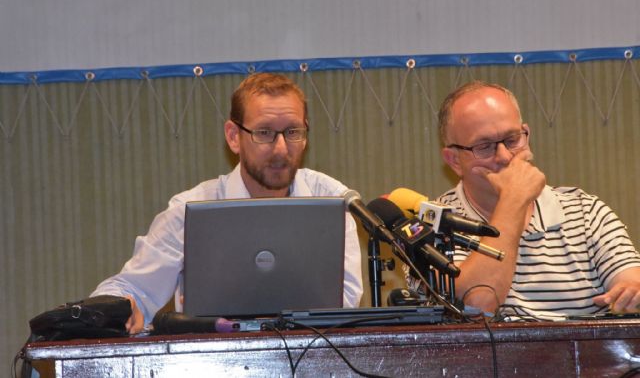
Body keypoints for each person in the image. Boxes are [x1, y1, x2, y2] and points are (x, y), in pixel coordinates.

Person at [92, 73, 363, 333]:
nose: (281, 148)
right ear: (234, 136)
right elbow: (130, 289)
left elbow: (346, 301)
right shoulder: (190, 210)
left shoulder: (334, 201)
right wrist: (122, 307)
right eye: (264, 132)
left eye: (293, 131)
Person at [409, 80, 640, 320]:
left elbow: (631, 282)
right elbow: (477, 305)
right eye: (484, 146)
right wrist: (513, 200)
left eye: (512, 140)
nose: (505, 157)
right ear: (454, 160)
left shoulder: (586, 212)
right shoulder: (429, 226)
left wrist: (631, 293)